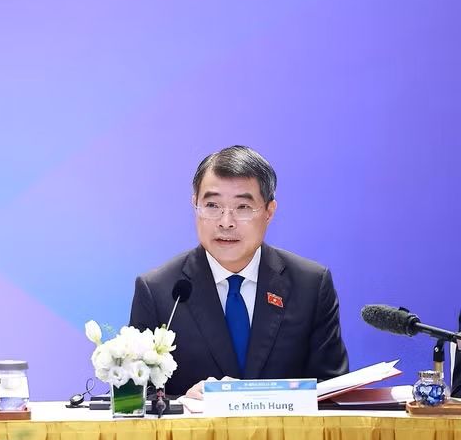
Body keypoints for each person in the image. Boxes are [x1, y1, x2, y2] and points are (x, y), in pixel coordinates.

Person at [129, 145, 348, 398]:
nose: (226, 222)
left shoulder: (310, 285)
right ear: (195, 205)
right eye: (212, 205)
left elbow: (333, 391)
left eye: (243, 207)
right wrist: (183, 404)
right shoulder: (159, 290)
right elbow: (133, 398)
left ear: (269, 212)